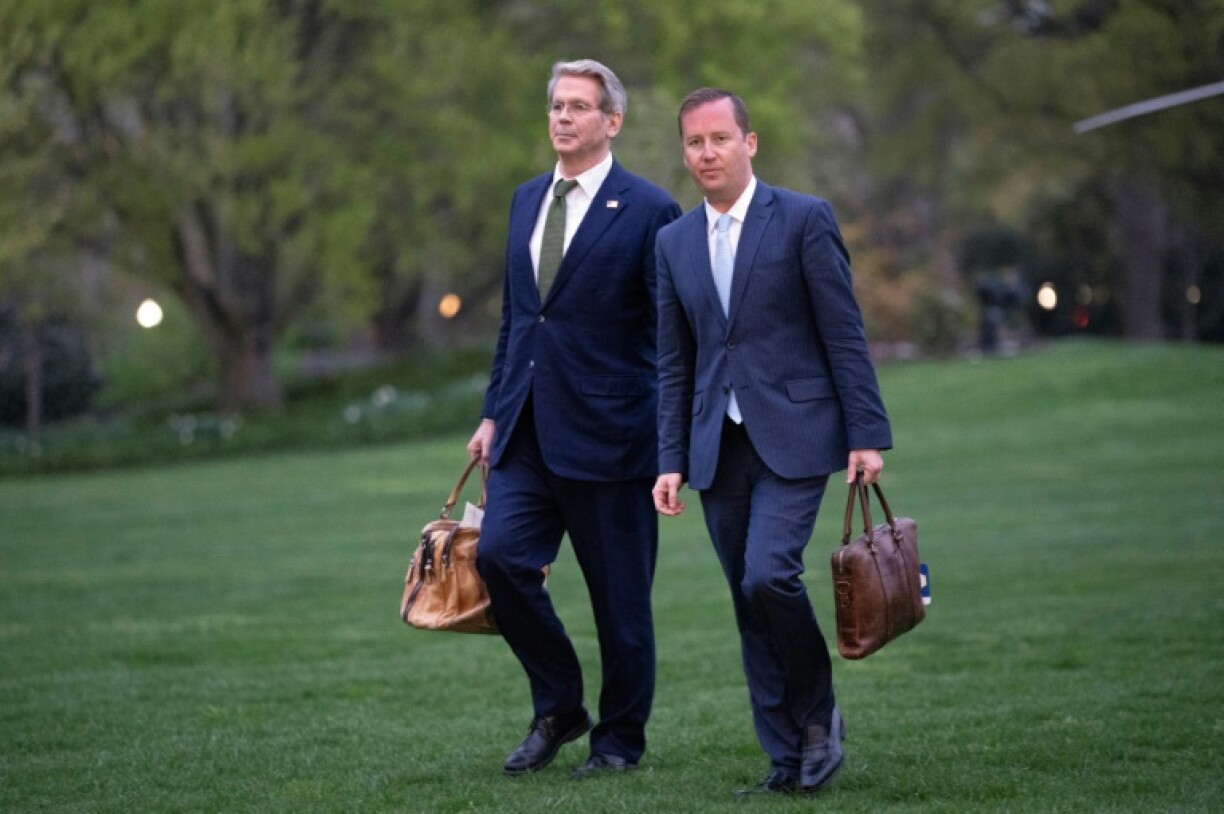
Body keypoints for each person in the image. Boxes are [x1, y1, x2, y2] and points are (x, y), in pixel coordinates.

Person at [652, 88, 892, 796]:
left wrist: (866, 434)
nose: (707, 153)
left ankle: (818, 718)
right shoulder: (672, 243)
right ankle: (785, 758)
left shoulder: (803, 218)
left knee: (768, 575)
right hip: (714, 446)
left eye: (720, 138)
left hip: (796, 434)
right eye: (694, 142)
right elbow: (674, 361)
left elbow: (843, 332)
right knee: (746, 599)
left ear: (749, 143)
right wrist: (669, 459)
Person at [467, 59, 681, 780]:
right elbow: (518, 319)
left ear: (611, 121)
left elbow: (669, 337)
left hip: (614, 437)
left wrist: (669, 442)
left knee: (621, 606)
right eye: (556, 104)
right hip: (526, 430)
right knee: (499, 559)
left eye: (579, 107)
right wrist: (493, 412)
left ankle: (619, 742)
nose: (562, 116)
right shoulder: (527, 198)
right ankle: (559, 708)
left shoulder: (650, 210)